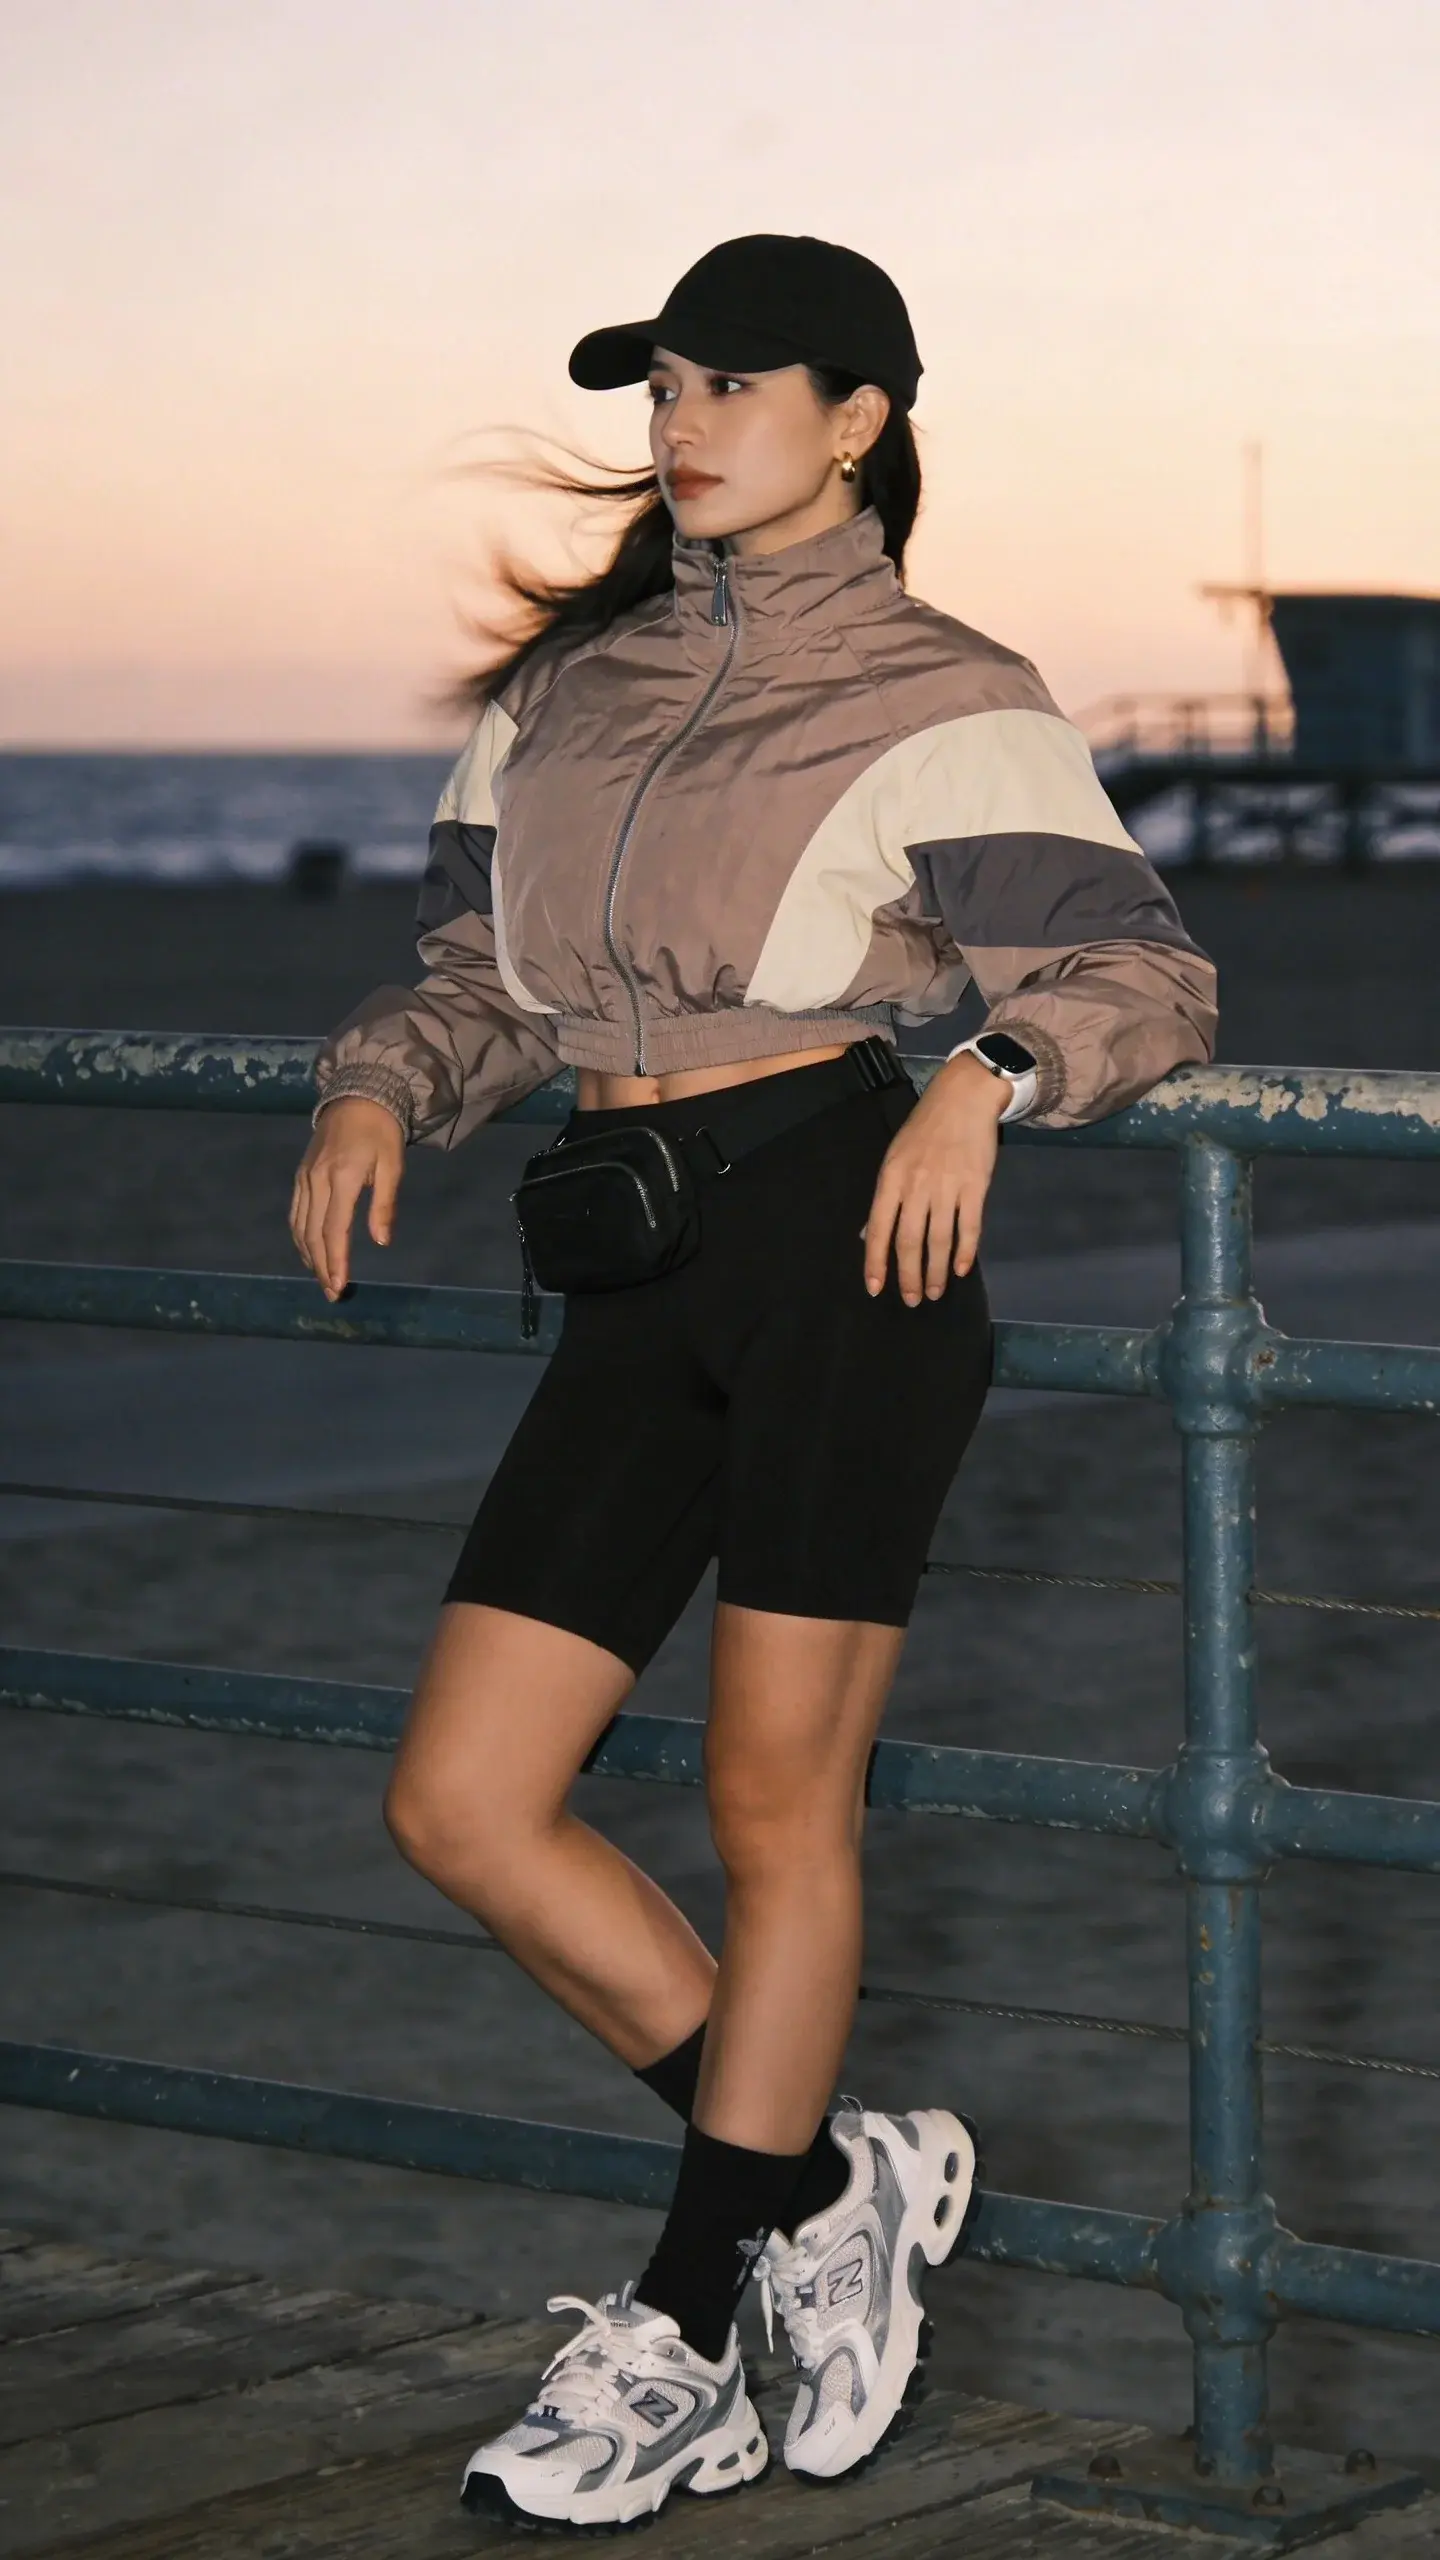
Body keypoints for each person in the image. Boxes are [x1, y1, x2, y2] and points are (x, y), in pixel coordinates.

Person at [290, 232, 1217, 2530]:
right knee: (465, 1800)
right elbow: (478, 974)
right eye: (663, 390)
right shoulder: (566, 695)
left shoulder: (946, 691)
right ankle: (821, 2178)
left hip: (844, 1253)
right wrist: (384, 1077)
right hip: (631, 1268)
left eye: (730, 385)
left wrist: (987, 1070)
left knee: (777, 1802)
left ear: (860, 417)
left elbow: (1141, 965)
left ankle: (690, 2321)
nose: (682, 425)